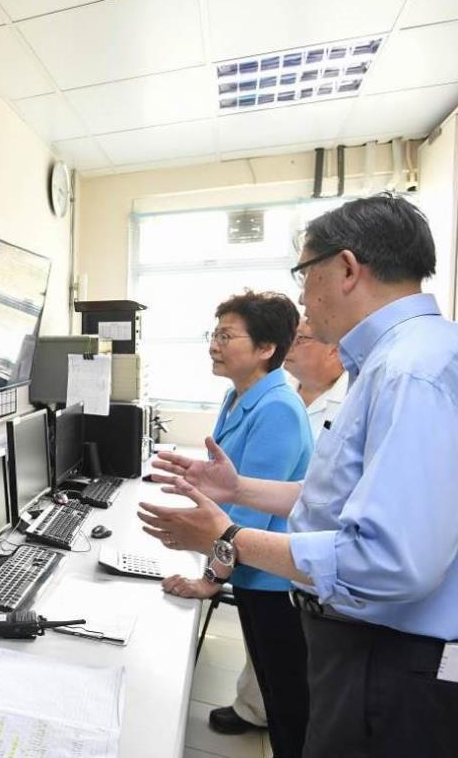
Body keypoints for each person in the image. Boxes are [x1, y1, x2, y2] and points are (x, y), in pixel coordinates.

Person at [140, 194, 458, 757]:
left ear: (346, 268)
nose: (304, 296)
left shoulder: (410, 372)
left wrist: (226, 539)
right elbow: (337, 499)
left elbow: (387, 561)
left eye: (304, 273)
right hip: (366, 645)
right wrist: (235, 489)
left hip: (389, 659)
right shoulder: (401, 359)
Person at [161, 291, 313, 757]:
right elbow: (231, 480)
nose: (214, 345)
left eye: (227, 336)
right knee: (271, 683)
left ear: (266, 348)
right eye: (215, 334)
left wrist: (208, 581)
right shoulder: (239, 396)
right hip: (248, 571)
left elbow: (248, 516)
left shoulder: (279, 410)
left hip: (272, 582)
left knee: (287, 698)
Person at [283, 319, 347, 437]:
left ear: (334, 351)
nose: (288, 346)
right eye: (289, 337)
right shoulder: (276, 389)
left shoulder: (352, 400)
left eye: (300, 339)